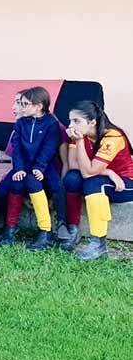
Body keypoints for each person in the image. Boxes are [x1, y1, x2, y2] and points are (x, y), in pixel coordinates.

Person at [63, 101, 133, 260]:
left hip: (125, 183)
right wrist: (107, 171)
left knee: (93, 182)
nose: (71, 125)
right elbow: (74, 165)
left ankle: (98, 242)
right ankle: (73, 230)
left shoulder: (113, 137)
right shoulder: (79, 135)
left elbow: (89, 173)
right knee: (72, 178)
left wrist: (79, 142)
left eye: (76, 121)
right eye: (70, 120)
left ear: (92, 122)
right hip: (105, 177)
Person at [0, 87, 64, 250]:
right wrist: (19, 168)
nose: (21, 108)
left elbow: (49, 148)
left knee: (56, 186)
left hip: (43, 166)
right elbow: (17, 147)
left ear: (39, 106)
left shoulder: (51, 124)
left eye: (25, 104)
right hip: (24, 165)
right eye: (20, 104)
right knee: (14, 184)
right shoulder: (21, 122)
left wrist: (39, 168)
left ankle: (52, 230)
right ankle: (9, 228)